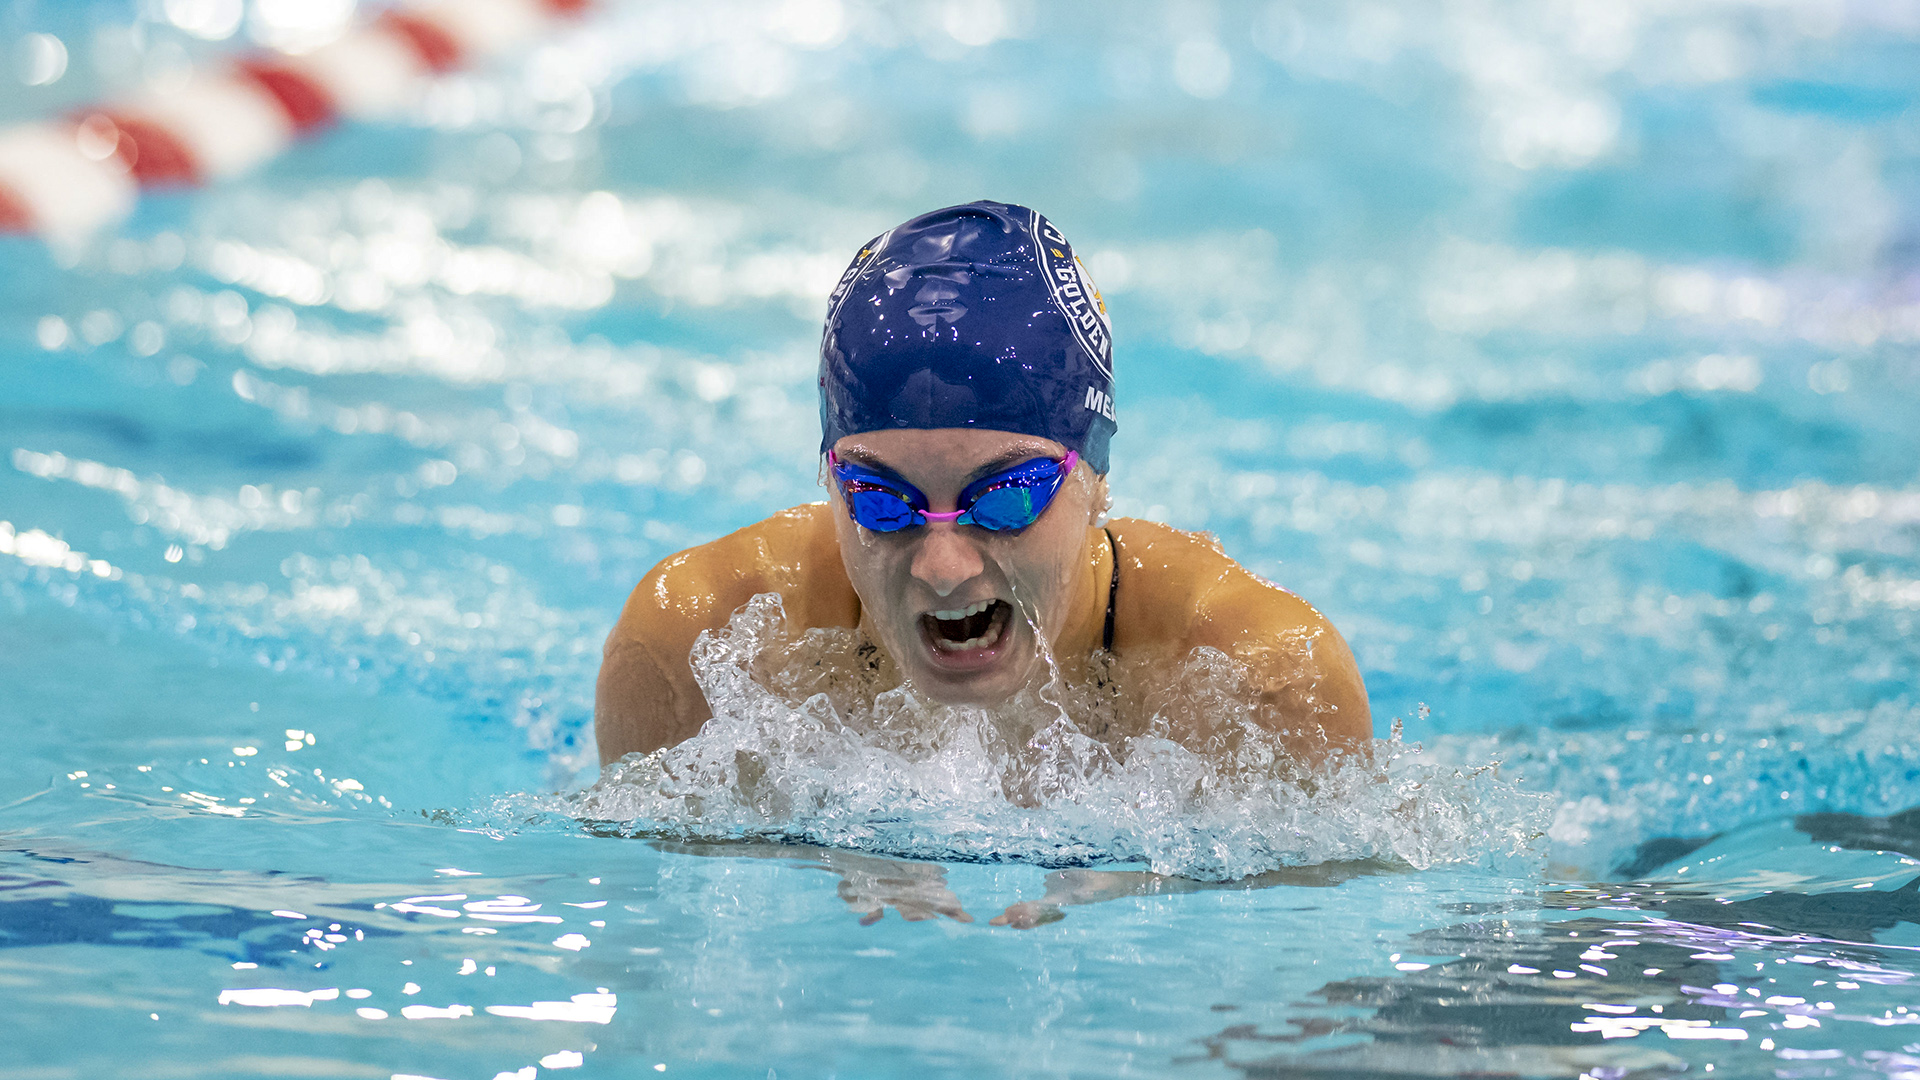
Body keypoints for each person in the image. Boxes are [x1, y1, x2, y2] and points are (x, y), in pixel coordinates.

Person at [595, 200, 1369, 766]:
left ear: (1096, 477)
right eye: (882, 503)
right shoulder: (702, 650)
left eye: (1004, 499)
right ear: (829, 482)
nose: (943, 567)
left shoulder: (1261, 687)